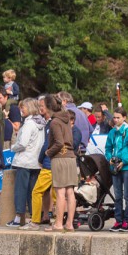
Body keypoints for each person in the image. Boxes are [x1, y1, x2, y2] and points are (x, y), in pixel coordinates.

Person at [7, 98, 46, 228]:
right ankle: (33, 217)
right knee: (32, 192)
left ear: (29, 107)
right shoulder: (41, 123)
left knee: (20, 190)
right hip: (36, 162)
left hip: (24, 161)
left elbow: (22, 143)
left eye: (22, 107)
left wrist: (13, 147)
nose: (20, 110)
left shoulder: (29, 124)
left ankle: (18, 218)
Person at [44, 94, 77, 232]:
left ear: (48, 107)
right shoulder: (66, 119)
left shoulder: (55, 122)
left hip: (60, 158)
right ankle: (69, 224)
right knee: (70, 192)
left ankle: (58, 224)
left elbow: (59, 142)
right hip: (70, 158)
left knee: (60, 192)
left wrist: (48, 152)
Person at [105, 108, 128, 230]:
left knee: (127, 196)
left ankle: (127, 221)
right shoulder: (112, 132)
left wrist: (124, 162)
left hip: (127, 167)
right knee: (117, 195)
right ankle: (118, 220)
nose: (115, 119)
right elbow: (108, 148)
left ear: (124, 118)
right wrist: (110, 158)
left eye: (118, 117)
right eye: (114, 117)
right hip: (115, 167)